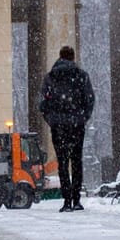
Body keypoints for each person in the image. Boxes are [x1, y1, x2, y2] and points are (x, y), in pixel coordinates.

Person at [39, 45, 96, 212]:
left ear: (59, 56)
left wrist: (52, 120)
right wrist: (83, 117)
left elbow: (42, 103)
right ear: (73, 57)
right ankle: (77, 199)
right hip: (76, 124)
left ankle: (67, 201)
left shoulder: (50, 77)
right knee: (77, 161)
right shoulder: (81, 76)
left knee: (62, 163)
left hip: (59, 126)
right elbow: (90, 98)